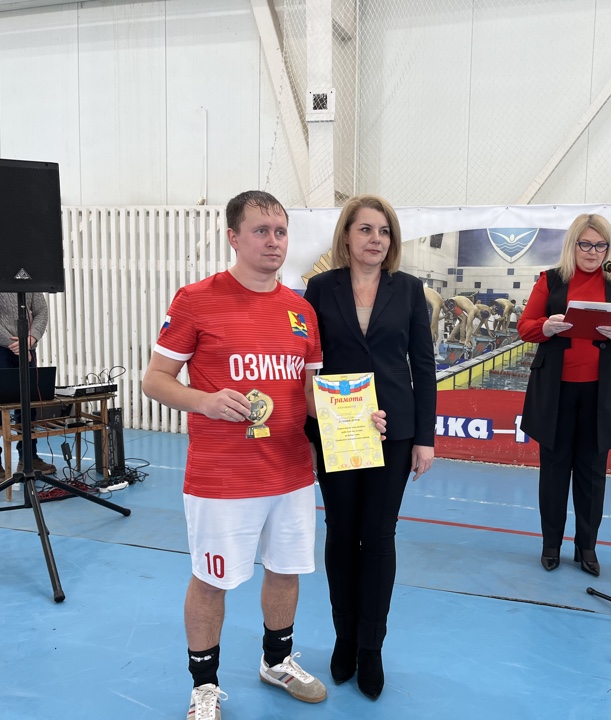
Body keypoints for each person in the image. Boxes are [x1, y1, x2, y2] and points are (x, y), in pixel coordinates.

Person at [142, 191, 328, 720]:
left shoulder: (301, 311)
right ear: (233, 237)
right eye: (261, 231)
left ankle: (277, 662)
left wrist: (354, 419)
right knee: (212, 580)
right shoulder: (195, 300)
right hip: (222, 477)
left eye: (280, 231)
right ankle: (204, 686)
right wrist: (204, 401)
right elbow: (154, 380)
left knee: (286, 570)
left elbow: (309, 393)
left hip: (291, 472)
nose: (273, 241)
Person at [303, 194, 436, 700]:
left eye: (384, 231)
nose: (376, 239)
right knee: (341, 534)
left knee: (378, 537)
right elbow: (308, 363)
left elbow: (423, 366)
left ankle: (371, 647)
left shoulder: (409, 290)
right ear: (346, 235)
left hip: (394, 432)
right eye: (365, 229)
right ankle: (344, 637)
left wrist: (424, 437)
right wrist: (312, 427)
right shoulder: (320, 289)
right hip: (337, 431)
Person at [517, 214, 611, 577]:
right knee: (554, 471)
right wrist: (546, 326)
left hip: (601, 392)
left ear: (608, 248)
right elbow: (525, 327)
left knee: (592, 473)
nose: (592, 252)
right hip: (555, 391)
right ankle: (551, 545)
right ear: (572, 244)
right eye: (585, 244)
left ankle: (586, 547)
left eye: (600, 245)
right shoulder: (550, 280)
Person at [0, 261, 57, 481]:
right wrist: (13, 343)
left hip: (26, 345)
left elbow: (41, 311)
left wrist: (31, 338)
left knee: (29, 406)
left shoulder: (27, 271)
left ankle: (29, 458)